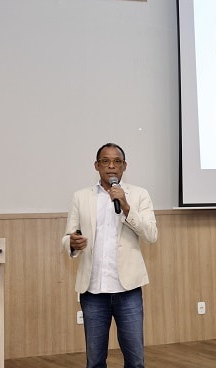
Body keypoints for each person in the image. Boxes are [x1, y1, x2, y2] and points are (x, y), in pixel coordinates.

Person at [62, 142, 158, 368]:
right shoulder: (80, 197)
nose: (111, 166)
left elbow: (151, 235)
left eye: (117, 161)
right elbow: (68, 236)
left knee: (135, 361)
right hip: (93, 291)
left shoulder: (139, 195)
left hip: (128, 290)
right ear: (96, 166)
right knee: (95, 361)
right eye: (105, 161)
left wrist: (126, 206)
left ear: (124, 166)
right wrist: (72, 243)